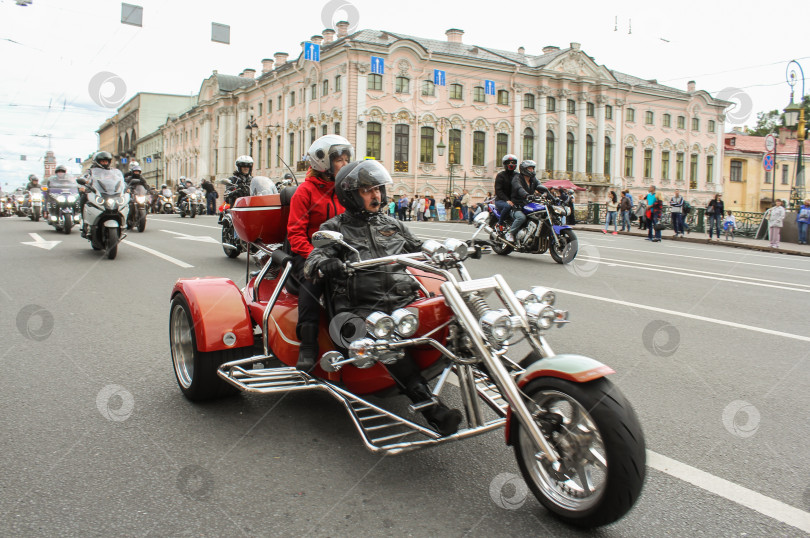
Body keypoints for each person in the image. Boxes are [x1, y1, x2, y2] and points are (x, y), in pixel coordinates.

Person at [304, 159, 463, 436]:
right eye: (367, 190)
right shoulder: (335, 227)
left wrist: (446, 249)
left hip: (402, 303)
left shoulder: (392, 223)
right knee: (387, 342)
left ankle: (509, 375)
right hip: (358, 311)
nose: (376, 195)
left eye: (378, 188)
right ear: (350, 194)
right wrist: (324, 263)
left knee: (457, 314)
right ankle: (431, 410)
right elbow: (312, 260)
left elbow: (420, 246)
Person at [287, 135, 354, 371]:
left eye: (347, 159)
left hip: (341, 252)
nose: (345, 164)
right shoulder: (304, 192)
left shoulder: (345, 191)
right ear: (323, 162)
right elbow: (295, 235)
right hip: (308, 252)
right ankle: (308, 343)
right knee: (312, 282)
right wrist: (317, 258)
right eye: (340, 160)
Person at [507, 160, 546, 243]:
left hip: (528, 205)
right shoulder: (517, 178)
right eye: (530, 168)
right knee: (521, 217)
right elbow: (519, 188)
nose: (532, 170)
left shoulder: (533, 179)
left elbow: (540, 187)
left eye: (532, 168)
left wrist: (551, 196)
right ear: (524, 169)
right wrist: (526, 195)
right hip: (517, 206)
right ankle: (510, 233)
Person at [494, 155, 517, 225]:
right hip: (501, 200)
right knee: (508, 206)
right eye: (509, 163)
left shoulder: (518, 175)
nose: (511, 164)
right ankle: (500, 223)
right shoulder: (500, 175)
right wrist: (507, 200)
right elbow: (498, 190)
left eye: (513, 163)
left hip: (513, 200)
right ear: (505, 164)